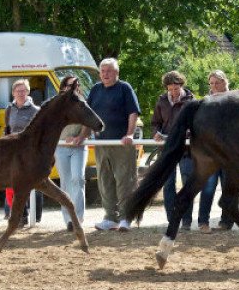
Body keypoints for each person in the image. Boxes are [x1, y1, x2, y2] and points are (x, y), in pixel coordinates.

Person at [85, 58, 140, 232]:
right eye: (102, 71)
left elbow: (133, 112)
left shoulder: (125, 88)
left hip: (121, 143)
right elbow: (88, 115)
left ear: (116, 72)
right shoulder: (95, 89)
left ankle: (126, 217)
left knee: (125, 180)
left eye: (109, 71)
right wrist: (81, 136)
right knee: (104, 180)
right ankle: (110, 217)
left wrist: (129, 134)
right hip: (102, 144)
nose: (105, 74)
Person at [151, 71, 195, 231]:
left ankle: (187, 220)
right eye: (171, 89)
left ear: (181, 85)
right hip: (166, 148)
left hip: (185, 148)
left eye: (176, 89)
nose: (174, 93)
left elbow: (195, 124)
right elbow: (155, 122)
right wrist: (155, 133)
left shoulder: (191, 101)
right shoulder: (161, 101)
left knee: (187, 181)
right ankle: (172, 219)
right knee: (168, 184)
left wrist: (186, 134)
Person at [196, 70, 235, 233]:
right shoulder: (205, 103)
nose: (214, 86)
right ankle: (203, 221)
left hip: (229, 154)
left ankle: (226, 221)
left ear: (225, 83)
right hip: (211, 154)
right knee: (208, 188)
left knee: (229, 188)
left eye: (217, 83)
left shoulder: (234, 101)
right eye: (211, 83)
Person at [4, 79, 43, 227]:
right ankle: (21, 215)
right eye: (17, 91)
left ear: (28, 92)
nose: (20, 93)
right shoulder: (9, 109)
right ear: (13, 93)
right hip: (13, 151)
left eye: (23, 90)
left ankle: (35, 215)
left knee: (33, 183)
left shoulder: (36, 110)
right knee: (14, 184)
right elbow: (7, 130)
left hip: (30, 152)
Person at [55, 75, 89, 232]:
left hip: (79, 147)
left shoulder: (82, 100)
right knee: (66, 182)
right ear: (63, 86)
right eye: (68, 85)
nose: (71, 88)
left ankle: (78, 218)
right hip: (60, 147)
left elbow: (87, 122)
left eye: (74, 85)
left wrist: (79, 137)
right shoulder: (56, 102)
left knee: (78, 179)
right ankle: (68, 219)